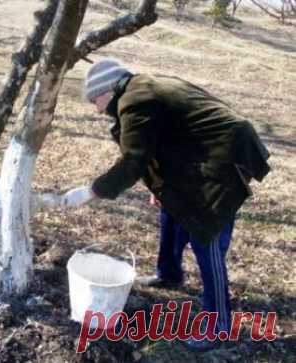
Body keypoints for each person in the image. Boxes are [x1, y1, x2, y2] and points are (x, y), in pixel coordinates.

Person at [42, 58, 271, 351]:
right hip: (200, 152)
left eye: (95, 100)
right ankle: (170, 273)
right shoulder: (141, 89)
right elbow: (164, 139)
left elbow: (133, 160)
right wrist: (160, 184)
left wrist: (90, 191)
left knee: (207, 234)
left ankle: (219, 325)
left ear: (109, 90)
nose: (97, 110)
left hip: (223, 156)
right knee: (171, 210)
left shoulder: (135, 100)